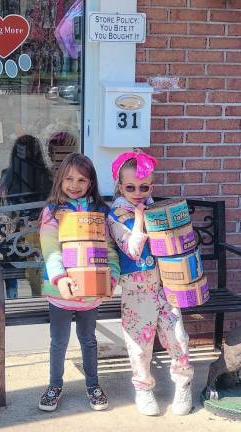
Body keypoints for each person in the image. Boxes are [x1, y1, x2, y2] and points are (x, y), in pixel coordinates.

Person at [108, 151, 194, 416]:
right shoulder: (116, 216)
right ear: (120, 186)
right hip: (136, 290)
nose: (137, 192)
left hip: (165, 286)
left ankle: (183, 383)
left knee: (177, 336)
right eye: (130, 187)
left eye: (143, 187)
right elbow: (132, 249)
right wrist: (140, 217)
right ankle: (143, 388)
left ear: (151, 187)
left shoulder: (158, 208)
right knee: (139, 343)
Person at [39, 152, 120, 412]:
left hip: (91, 293)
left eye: (81, 180)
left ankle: (93, 384)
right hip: (60, 292)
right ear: (60, 180)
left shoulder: (100, 213)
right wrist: (60, 277)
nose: (74, 185)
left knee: (88, 339)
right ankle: (54, 384)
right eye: (69, 179)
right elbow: (50, 247)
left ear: (91, 183)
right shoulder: (53, 212)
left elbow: (109, 249)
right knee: (59, 342)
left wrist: (113, 278)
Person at [0, 134, 53, 299]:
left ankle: (12, 296)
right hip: (40, 237)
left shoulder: (6, 175)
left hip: (15, 238)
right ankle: (39, 294)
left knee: (8, 245)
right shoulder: (48, 175)